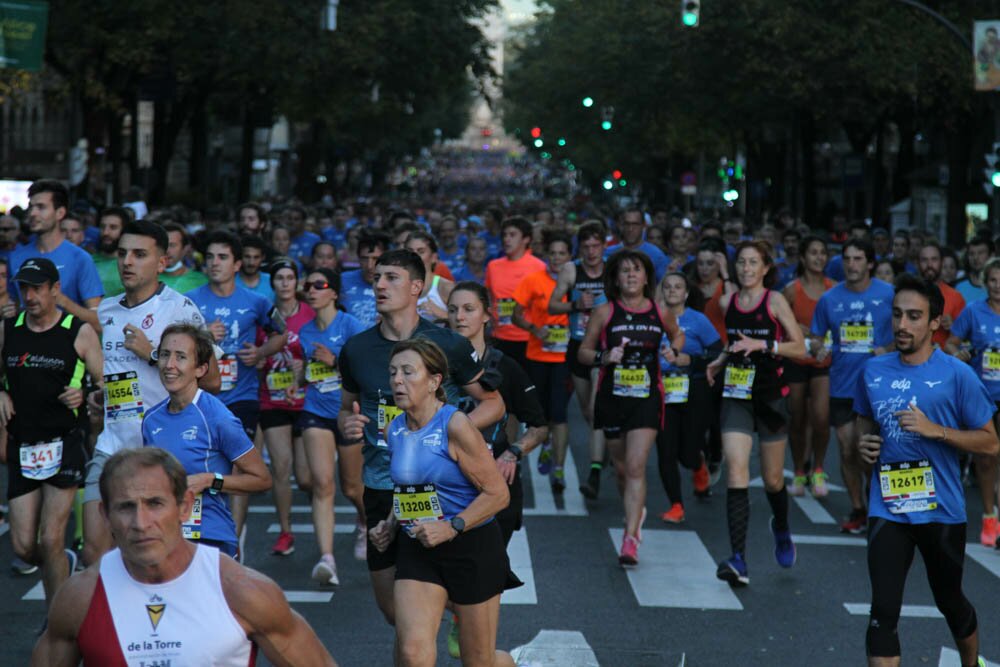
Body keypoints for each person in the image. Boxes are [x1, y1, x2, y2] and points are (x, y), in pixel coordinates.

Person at [32, 447, 337, 666]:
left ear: (184, 507)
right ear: (105, 514)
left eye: (155, 503)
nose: (141, 523)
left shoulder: (241, 590)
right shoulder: (79, 598)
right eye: (126, 507)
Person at [338, 249, 504, 626]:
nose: (379, 284)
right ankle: (458, 618)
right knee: (393, 612)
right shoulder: (357, 349)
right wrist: (347, 425)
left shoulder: (448, 344)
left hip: (442, 489)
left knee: (420, 620)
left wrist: (446, 436)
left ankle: (466, 619)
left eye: (391, 277)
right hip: (383, 486)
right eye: (377, 277)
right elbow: (346, 410)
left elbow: (493, 404)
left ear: (418, 287)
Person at [855, 274, 996, 667]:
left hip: (941, 509)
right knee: (883, 609)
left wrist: (938, 431)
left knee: (950, 601)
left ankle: (971, 663)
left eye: (914, 316)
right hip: (889, 506)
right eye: (897, 314)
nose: (902, 325)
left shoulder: (957, 374)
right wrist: (864, 444)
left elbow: (991, 442)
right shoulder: (874, 371)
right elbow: (866, 426)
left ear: (935, 323)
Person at [368, 339, 516, 667]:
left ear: (434, 382)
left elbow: (498, 494)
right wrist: (390, 525)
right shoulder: (395, 429)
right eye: (393, 372)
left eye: (408, 372)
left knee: (479, 661)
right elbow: (410, 487)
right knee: (411, 653)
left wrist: (451, 527)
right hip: (419, 548)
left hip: (471, 547)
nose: (397, 380)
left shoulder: (455, 425)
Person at [83, 220, 218, 567]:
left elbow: (212, 379)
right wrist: (103, 396)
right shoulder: (108, 310)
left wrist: (153, 354)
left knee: (159, 558)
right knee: (95, 552)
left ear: (161, 262)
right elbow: (118, 374)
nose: (127, 261)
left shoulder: (179, 309)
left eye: (139, 254)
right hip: (112, 445)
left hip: (164, 451)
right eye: (123, 253)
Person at [0, 258, 103, 605]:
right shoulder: (8, 328)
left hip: (64, 442)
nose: (29, 295)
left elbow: (104, 383)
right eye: (24, 287)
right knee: (24, 546)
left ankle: (56, 620)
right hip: (23, 444)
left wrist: (86, 393)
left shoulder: (78, 330)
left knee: (51, 538)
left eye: (37, 288)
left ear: (55, 289)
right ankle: (64, 565)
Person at [706, 240, 806, 586]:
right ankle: (739, 559)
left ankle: (781, 526)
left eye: (754, 263)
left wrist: (764, 345)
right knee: (737, 471)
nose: (747, 269)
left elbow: (800, 346)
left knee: (774, 479)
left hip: (770, 396)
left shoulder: (774, 300)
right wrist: (721, 359)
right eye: (742, 263)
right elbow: (734, 340)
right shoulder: (727, 302)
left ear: (766, 269)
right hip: (736, 393)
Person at [579, 250, 684, 566]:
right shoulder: (604, 312)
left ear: (646, 277)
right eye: (624, 271)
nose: (631, 276)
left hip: (647, 398)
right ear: (616, 278)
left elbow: (677, 333)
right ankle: (634, 508)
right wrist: (603, 356)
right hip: (613, 397)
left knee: (637, 465)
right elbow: (583, 352)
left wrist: (672, 349)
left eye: (636, 271)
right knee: (623, 469)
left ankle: (630, 536)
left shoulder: (658, 311)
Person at [187, 231, 286, 555]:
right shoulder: (191, 301)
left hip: (241, 397)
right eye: (210, 257)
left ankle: (234, 541)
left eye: (223, 257)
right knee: (206, 467)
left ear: (238, 264)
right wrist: (200, 335)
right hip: (201, 397)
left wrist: (260, 353)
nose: (215, 263)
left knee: (235, 470)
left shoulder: (256, 301)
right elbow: (172, 342)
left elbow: (281, 334)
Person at [142, 324, 272, 557]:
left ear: (201, 369)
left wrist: (210, 480)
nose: (169, 365)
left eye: (180, 357)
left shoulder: (218, 417)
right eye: (164, 355)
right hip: (165, 537)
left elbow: (261, 479)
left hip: (210, 538)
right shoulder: (151, 419)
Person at [811, 239, 895, 534]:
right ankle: (859, 508)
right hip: (843, 387)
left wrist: (888, 348)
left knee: (868, 453)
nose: (851, 264)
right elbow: (816, 337)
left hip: (877, 388)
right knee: (847, 450)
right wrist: (817, 348)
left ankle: (877, 506)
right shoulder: (829, 299)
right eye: (847, 259)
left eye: (858, 259)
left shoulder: (889, 295)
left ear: (870, 263)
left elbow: (910, 332)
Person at [295, 268, 368, 585]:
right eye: (307, 285)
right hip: (315, 409)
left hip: (347, 412)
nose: (311, 290)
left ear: (334, 292)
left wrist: (335, 361)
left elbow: (367, 369)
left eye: (319, 285)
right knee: (323, 484)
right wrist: (298, 379)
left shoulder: (351, 326)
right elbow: (307, 372)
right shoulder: (306, 331)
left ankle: (366, 522)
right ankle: (327, 558)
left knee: (352, 487)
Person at [655, 272, 722, 522]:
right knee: (665, 450)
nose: (672, 290)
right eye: (667, 286)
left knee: (687, 452)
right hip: (662, 389)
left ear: (685, 293)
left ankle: (698, 463)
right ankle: (676, 505)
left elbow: (718, 352)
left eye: (678, 287)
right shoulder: (654, 318)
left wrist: (691, 361)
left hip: (694, 388)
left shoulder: (698, 320)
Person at [259, 258, 315, 556]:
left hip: (306, 402)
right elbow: (257, 353)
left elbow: (321, 355)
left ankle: (314, 496)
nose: (284, 283)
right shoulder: (264, 315)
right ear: (273, 283)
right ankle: (285, 531)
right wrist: (259, 359)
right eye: (278, 277)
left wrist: (303, 366)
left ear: (297, 282)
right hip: (272, 399)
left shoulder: (309, 314)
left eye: (289, 278)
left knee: (306, 478)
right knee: (281, 468)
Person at [549, 221, 608, 499]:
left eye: (596, 245)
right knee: (587, 410)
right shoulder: (572, 269)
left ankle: (595, 469)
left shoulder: (612, 269)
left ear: (604, 246)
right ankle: (602, 445)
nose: (592, 251)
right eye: (586, 246)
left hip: (602, 345)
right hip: (576, 344)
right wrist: (575, 304)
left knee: (597, 409)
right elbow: (553, 304)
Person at [945, 256, 1000, 547]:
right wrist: (959, 353)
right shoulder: (974, 311)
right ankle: (989, 516)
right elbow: (951, 341)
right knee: (987, 457)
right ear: (984, 281)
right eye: (992, 280)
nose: (998, 286)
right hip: (983, 394)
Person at [512, 231, 572, 492]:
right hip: (536, 355)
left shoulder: (575, 283)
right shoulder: (532, 280)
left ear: (570, 257)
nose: (557, 259)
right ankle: (543, 444)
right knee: (539, 416)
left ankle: (558, 470)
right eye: (553, 254)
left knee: (559, 415)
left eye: (562, 254)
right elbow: (515, 316)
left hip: (564, 358)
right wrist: (534, 329)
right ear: (546, 256)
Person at [9, 180, 103, 332]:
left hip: (66, 350)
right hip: (25, 351)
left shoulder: (80, 258)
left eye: (41, 207)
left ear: (60, 213)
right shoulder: (15, 257)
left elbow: (98, 323)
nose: (32, 213)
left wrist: (61, 300)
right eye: (31, 207)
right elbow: (13, 308)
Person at [782, 235, 834, 497]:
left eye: (822, 252)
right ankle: (799, 471)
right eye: (813, 252)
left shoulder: (834, 288)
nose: (818, 257)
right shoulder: (792, 289)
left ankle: (819, 468)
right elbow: (777, 319)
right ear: (803, 258)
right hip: (796, 359)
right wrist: (800, 330)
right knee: (797, 418)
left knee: (822, 418)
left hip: (824, 361)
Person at [485, 217, 546, 372]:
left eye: (512, 235)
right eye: (505, 235)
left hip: (529, 339)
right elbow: (488, 297)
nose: (507, 239)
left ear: (526, 239)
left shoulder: (539, 266)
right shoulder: (493, 266)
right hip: (500, 338)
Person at [918, 241, 965, 348]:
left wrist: (953, 327)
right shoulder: (907, 294)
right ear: (917, 263)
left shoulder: (956, 297)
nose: (929, 265)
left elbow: (965, 340)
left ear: (942, 262)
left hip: (944, 360)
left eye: (934, 259)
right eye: (924, 260)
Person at [340, 229, 389, 328]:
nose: (369, 266)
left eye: (375, 259)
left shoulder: (394, 284)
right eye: (364, 259)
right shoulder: (342, 280)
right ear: (358, 258)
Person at [607, 207, 670, 283]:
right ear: (621, 226)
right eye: (627, 224)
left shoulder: (657, 256)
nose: (630, 229)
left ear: (643, 226)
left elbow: (663, 286)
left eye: (635, 224)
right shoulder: (608, 253)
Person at [406, 231, 455, 322]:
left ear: (434, 257)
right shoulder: (399, 288)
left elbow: (467, 322)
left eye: (421, 251)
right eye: (410, 251)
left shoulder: (445, 287)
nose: (415, 256)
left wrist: (443, 315)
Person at [160, 222, 209, 293]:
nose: (167, 250)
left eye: (172, 245)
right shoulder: (148, 280)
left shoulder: (201, 281)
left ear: (185, 249)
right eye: (163, 245)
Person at [91, 207, 128, 297]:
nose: (106, 232)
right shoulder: (88, 261)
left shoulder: (130, 263)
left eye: (113, 227)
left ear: (124, 231)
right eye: (102, 227)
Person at [235, 234, 275, 301]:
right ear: (240, 257)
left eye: (256, 257)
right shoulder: (230, 282)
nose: (251, 262)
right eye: (247, 257)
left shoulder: (272, 282)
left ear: (263, 258)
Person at [955, 235, 992, 304]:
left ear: (991, 255)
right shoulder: (958, 286)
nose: (975, 257)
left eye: (980, 253)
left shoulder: (997, 286)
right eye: (971, 254)